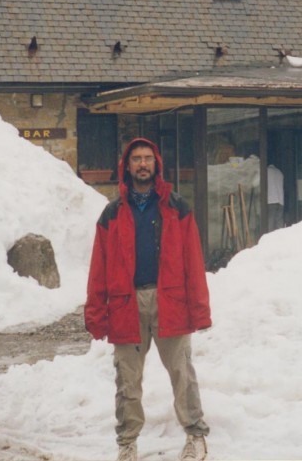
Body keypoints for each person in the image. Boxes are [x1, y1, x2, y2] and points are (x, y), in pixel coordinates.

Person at [85, 138, 211, 461]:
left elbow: (194, 264)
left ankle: (196, 435)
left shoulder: (177, 208)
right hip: (127, 305)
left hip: (171, 302)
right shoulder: (111, 214)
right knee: (127, 379)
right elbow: (98, 269)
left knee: (182, 372)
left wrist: (199, 309)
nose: (142, 164)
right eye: (136, 159)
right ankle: (127, 444)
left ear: (156, 165)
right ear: (127, 167)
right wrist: (96, 313)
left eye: (147, 159)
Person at [266, 163, 285, 231]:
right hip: (281, 201)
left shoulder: (266, 171)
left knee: (270, 222)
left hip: (271, 200)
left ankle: (270, 240)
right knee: (279, 223)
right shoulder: (279, 172)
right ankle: (280, 239)